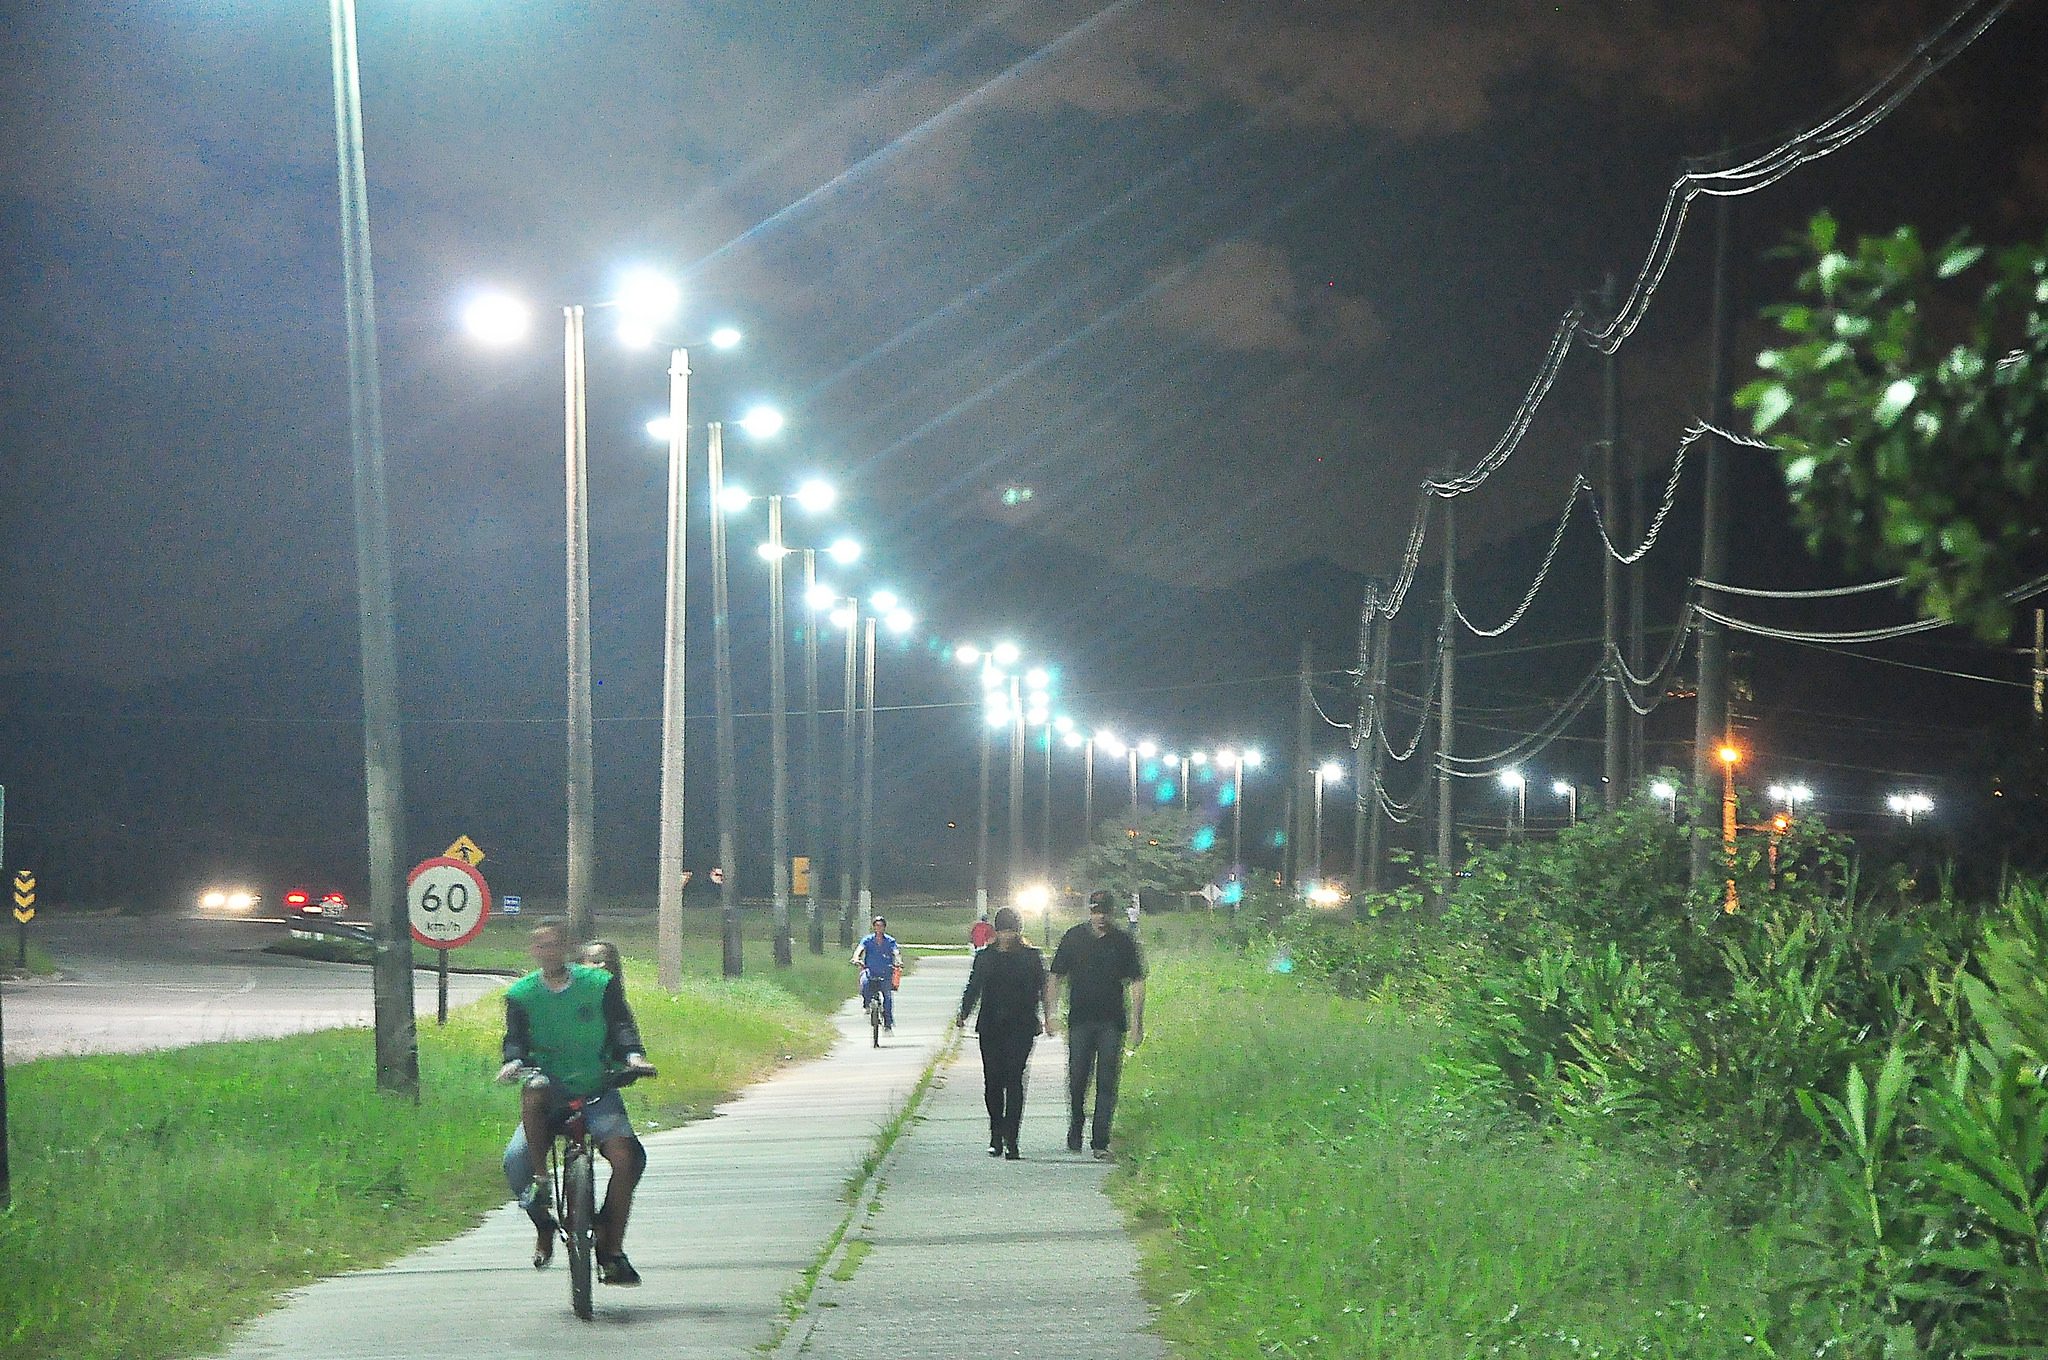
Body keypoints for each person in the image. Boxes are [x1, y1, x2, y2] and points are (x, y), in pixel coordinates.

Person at [497, 922, 656, 1285]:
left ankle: (611, 1249)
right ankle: (543, 1214)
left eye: (555, 945)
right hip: (551, 1094)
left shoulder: (598, 985)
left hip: (596, 1087)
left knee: (627, 1158)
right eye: (541, 947)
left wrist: (633, 1057)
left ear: (567, 948)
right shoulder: (521, 994)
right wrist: (513, 1062)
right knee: (514, 1164)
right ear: (533, 952)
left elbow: (621, 1027)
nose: (549, 953)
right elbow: (515, 1041)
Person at [1046, 888, 1146, 1160]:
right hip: (1080, 1020)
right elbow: (1055, 976)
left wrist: (1138, 1022)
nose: (1100, 917)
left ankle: (1100, 1140)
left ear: (1111, 913)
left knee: (1107, 1081)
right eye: (1095, 911)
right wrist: (1051, 1013)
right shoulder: (1074, 938)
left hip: (1112, 1022)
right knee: (1078, 1078)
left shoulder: (1123, 942)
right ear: (1089, 911)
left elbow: (1137, 981)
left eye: (1104, 912)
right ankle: (1076, 1124)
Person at [957, 906, 1047, 1160]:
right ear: (997, 932)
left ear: (1019, 932)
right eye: (1005, 931)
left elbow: (1043, 988)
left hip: (1022, 1026)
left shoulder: (1031, 958)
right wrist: (963, 1012)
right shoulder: (985, 958)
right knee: (993, 1081)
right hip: (991, 1026)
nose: (1008, 937)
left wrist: (1047, 1016)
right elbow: (974, 987)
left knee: (1014, 1079)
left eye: (1013, 931)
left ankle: (1012, 1138)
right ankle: (996, 1132)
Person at [851, 914, 902, 1031]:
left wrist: (899, 961)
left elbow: (896, 952)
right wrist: (856, 958)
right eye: (877, 925)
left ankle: (888, 1023)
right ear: (874, 927)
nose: (879, 928)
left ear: (884, 927)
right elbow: (859, 949)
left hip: (885, 972)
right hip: (870, 971)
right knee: (864, 983)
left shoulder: (890, 941)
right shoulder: (868, 940)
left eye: (881, 926)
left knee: (887, 997)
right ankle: (867, 1004)